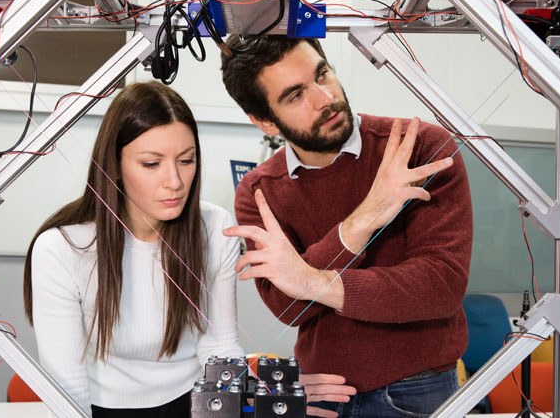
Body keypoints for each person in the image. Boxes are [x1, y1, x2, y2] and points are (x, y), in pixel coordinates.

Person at [23, 81, 354, 418]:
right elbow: (67, 386)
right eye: (151, 164)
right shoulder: (61, 248)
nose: (175, 182)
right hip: (100, 409)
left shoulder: (215, 228)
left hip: (196, 404)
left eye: (186, 160)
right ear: (115, 167)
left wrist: (273, 394)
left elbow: (219, 346)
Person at [220, 35, 473, 417]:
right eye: (295, 96)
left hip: (418, 389)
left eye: (323, 74)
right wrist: (363, 221)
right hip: (321, 395)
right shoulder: (259, 191)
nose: (324, 99)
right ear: (265, 121)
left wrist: (310, 280)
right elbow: (288, 308)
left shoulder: (420, 149)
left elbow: (440, 287)